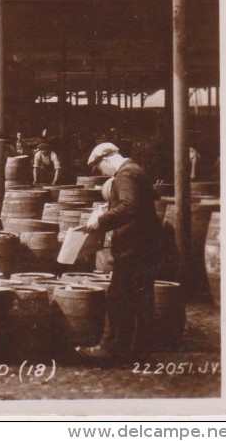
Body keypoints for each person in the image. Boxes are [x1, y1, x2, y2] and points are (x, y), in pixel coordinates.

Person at [76, 142, 160, 365]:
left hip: (133, 247)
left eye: (98, 167)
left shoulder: (125, 174)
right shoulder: (136, 170)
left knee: (118, 297)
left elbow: (130, 206)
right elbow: (143, 202)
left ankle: (110, 349)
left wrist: (101, 220)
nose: (101, 173)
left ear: (106, 159)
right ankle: (138, 352)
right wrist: (108, 208)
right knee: (140, 300)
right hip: (145, 246)